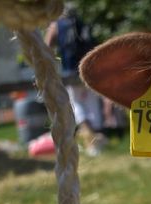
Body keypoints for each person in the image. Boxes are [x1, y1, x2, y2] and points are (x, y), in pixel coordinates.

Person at [45, 4, 106, 156]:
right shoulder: (82, 23)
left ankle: (91, 140)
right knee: (91, 103)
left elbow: (47, 46)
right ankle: (96, 140)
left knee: (77, 103)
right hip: (89, 70)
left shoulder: (57, 26)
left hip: (71, 70)